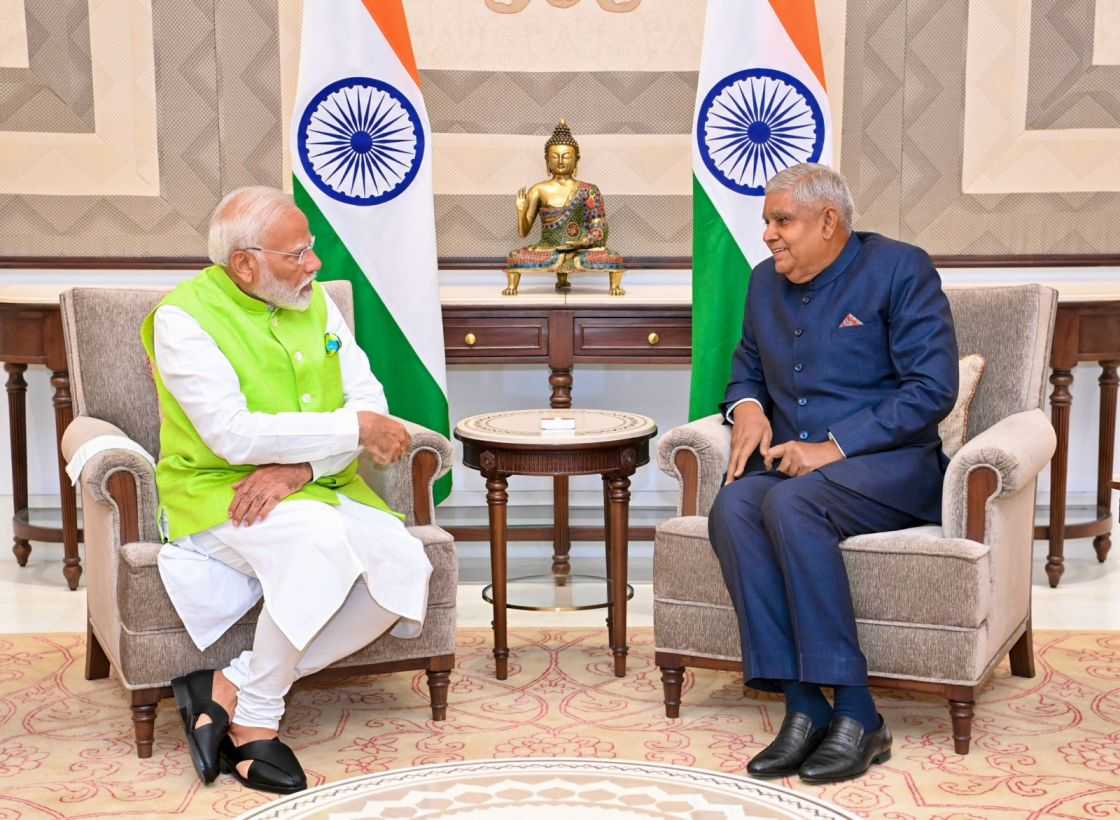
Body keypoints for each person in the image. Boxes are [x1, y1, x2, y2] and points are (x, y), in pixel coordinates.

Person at [140, 186, 432, 795]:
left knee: (404, 569)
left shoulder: (315, 301)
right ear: (245, 263)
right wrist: (347, 431)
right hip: (220, 491)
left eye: (312, 249)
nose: (315, 264)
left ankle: (227, 685)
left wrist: (301, 469)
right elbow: (232, 436)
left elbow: (369, 402)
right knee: (320, 544)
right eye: (297, 254)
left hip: (314, 484)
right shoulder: (182, 319)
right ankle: (256, 721)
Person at [708, 163, 958, 784]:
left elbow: (934, 389)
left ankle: (858, 711)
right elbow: (746, 364)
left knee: (791, 506)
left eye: (781, 220)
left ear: (829, 221)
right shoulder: (765, 282)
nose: (768, 234)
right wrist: (746, 409)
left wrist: (835, 446)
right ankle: (802, 706)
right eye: (767, 220)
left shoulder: (900, 269)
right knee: (734, 507)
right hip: (797, 464)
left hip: (894, 469)